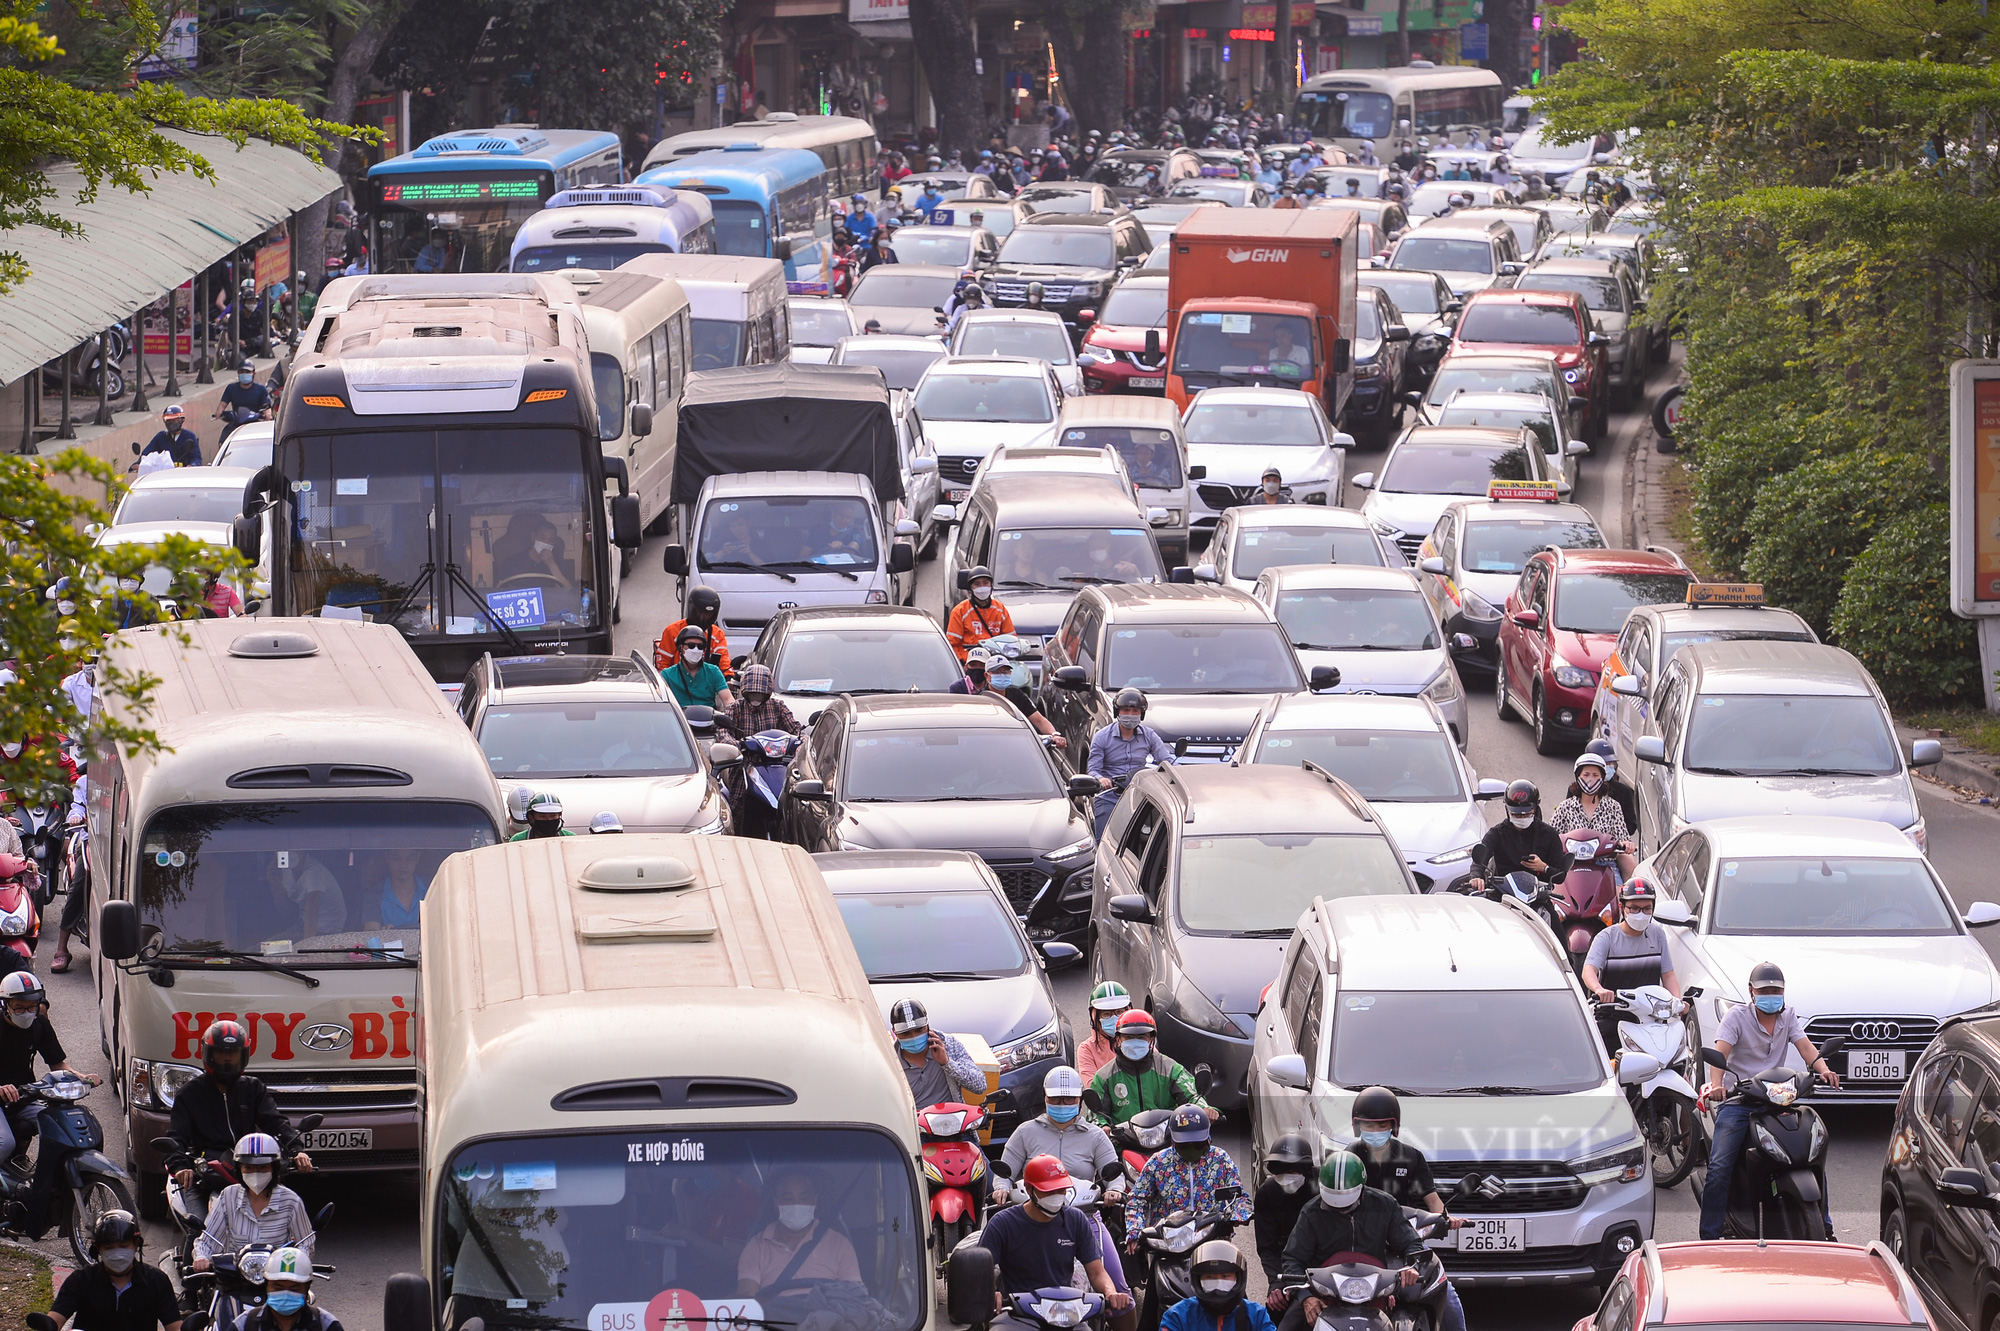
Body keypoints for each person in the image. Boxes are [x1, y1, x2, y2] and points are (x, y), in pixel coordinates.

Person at [1698, 962, 1840, 1240]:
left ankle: (1826, 1228)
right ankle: (1710, 1236)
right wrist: (1717, 1086)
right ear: (1751, 992)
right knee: (1719, 1168)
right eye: (1765, 990)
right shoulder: (1736, 1017)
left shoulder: (1788, 1016)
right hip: (1739, 1101)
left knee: (1810, 1157)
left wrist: (1824, 1070)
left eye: (1776, 990)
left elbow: (1805, 1047)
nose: (1771, 994)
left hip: (1777, 1100)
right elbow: (1720, 1053)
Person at [164, 1020, 312, 1223]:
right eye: (221, 1054)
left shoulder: (253, 1089)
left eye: (232, 1055)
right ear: (209, 1054)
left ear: (243, 1056)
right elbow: (176, 1137)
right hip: (205, 1176)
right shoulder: (190, 1094)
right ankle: (194, 1254)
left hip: (248, 1169)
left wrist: (296, 1150)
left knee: (284, 1220)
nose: (227, 1060)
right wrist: (181, 1167)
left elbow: (275, 1123)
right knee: (198, 1228)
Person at [1348, 1088, 1468, 1331]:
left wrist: (1445, 1219)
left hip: (1407, 1239)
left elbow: (1432, 1201)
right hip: (1362, 1242)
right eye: (1368, 1126)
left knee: (1448, 1299)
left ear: (1394, 1126)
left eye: (1381, 1125)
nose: (1374, 1132)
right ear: (1357, 1126)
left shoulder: (1411, 1157)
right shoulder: (1350, 1157)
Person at [1269, 1151, 1424, 1331]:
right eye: (1332, 1206)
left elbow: (1412, 1243)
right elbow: (1292, 1259)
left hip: (1376, 1290)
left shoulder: (1385, 1205)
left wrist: (1412, 1266)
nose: (1340, 1210)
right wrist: (1306, 1298)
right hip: (1324, 1292)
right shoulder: (1311, 1212)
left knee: (1412, 1320)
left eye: (1347, 1205)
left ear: (1361, 1189)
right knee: (1287, 1327)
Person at [980, 1156, 1134, 1331]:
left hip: (1066, 1313)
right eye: (1049, 1191)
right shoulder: (1003, 1223)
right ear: (1030, 1189)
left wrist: (1110, 1292)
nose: (1057, 1197)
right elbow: (979, 1272)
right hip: (1017, 1314)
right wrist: (990, 1293)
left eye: (1061, 1190)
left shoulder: (1076, 1219)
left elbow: (1097, 1272)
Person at [0, 971, 101, 1234]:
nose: (26, 1012)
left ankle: (45, 1191)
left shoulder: (39, 1024)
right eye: (19, 1008)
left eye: (31, 1007)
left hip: (25, 1095)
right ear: (5, 1005)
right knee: (5, 1143)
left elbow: (57, 1063)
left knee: (57, 1125)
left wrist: (82, 1077)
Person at [1126, 1106, 1253, 1250]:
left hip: (1211, 1240)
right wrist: (1134, 1231)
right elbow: (1137, 1199)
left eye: (1197, 1144)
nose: (1191, 1148)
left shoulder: (1220, 1159)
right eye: (1184, 1145)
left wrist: (1240, 1213)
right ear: (1174, 1140)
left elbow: (1239, 1195)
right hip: (1168, 1243)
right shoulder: (1159, 1162)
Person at [192, 1132, 315, 1270]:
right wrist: (201, 1257)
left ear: (274, 1169)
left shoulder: (291, 1200)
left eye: (262, 1167)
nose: (255, 1173)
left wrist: (296, 1262)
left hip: (277, 1276)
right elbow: (208, 1240)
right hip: (235, 1278)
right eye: (248, 1168)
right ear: (240, 1170)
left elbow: (306, 1243)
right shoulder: (228, 1196)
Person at [1582, 879, 1682, 1046]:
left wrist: (1677, 1002)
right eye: (1634, 908)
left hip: (1651, 1019)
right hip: (1613, 1017)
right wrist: (1600, 990)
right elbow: (1588, 970)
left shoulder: (1657, 934)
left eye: (1646, 908)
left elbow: (1668, 974)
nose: (1641, 913)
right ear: (1623, 908)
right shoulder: (1607, 937)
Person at [737, 1169, 864, 1298]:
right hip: (774, 1317)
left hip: (826, 1316)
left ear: (814, 1200)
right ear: (776, 1202)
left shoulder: (839, 1244)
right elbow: (747, 1301)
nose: (796, 1204)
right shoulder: (756, 1247)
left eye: (804, 1198)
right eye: (788, 1198)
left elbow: (855, 1299)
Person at [47, 1211, 181, 1331]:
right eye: (109, 1248)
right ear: (98, 1248)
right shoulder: (80, 1280)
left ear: (135, 1245)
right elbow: (54, 1320)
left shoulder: (156, 1280)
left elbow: (175, 1326)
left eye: (123, 1246)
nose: (117, 1253)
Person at [1089, 1010, 1215, 1127]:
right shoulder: (1103, 1077)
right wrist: (1103, 1127)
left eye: (1141, 1037)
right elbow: (1095, 1115)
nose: (1135, 1041)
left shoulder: (1170, 1069)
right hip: (1122, 1143)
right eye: (1128, 1037)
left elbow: (1192, 1095)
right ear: (1118, 1040)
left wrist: (1204, 1109)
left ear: (1151, 1040)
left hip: (1167, 1138)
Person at [1087, 688, 1175, 838]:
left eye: (1135, 711)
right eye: (1126, 710)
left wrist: (1183, 773)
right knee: (1102, 839)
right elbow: (1093, 770)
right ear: (1117, 712)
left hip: (1140, 794)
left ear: (1142, 714)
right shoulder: (1101, 737)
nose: (1131, 715)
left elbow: (1167, 761)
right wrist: (1101, 779)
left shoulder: (1149, 736)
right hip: (1110, 796)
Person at [1467, 779, 1569, 892]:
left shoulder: (1550, 834)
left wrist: (1544, 868)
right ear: (1507, 810)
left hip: (1538, 898)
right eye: (1515, 814)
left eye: (1526, 814)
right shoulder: (1496, 833)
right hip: (1502, 895)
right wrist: (1476, 877)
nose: (1521, 818)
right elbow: (1480, 860)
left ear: (1535, 809)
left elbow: (1560, 876)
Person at [890, 997, 986, 1109]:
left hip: (951, 1119)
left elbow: (980, 1085)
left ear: (927, 1026)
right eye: (906, 1034)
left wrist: (947, 1063)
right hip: (913, 1124)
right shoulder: (890, 1061)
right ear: (895, 1033)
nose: (914, 1037)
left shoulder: (950, 1045)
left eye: (919, 1030)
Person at [1163, 1241, 1278, 1331]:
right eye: (1209, 1277)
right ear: (1197, 1279)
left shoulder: (1256, 1315)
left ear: (1239, 1277)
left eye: (1225, 1276)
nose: (1218, 1283)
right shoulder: (1178, 1316)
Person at [1251, 1135, 1315, 1290]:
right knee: (1275, 1308)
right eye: (1282, 1170)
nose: (1287, 1176)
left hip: (1320, 1266)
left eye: (1293, 1170)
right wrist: (1276, 1282)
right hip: (1284, 1269)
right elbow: (1267, 1247)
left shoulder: (1321, 1190)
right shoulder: (1266, 1194)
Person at [236, 1246, 340, 1331]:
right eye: (278, 1287)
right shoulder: (244, 1325)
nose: (285, 1294)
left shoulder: (327, 1326)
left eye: (294, 1289)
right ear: (267, 1286)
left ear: (307, 1288)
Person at [983, 647, 1066, 749]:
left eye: (1005, 672)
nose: (1002, 675)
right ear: (987, 676)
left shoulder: (1017, 695)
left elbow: (1039, 720)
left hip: (1017, 747)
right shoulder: (980, 699)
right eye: (997, 672)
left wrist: (1054, 735)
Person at [656, 585, 735, 680]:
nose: (704, 617)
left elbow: (724, 661)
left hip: (705, 686)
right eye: (701, 612)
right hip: (677, 683)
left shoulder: (717, 634)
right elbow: (663, 663)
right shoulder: (672, 631)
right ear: (692, 609)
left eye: (708, 614)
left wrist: (729, 677)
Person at [718, 663, 801, 741]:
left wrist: (801, 741)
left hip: (774, 753)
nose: (756, 698)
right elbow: (723, 732)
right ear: (744, 691)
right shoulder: (735, 707)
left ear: (768, 693)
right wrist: (737, 745)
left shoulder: (778, 706)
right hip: (744, 754)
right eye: (752, 694)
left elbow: (795, 730)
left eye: (760, 694)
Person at [946, 565, 1014, 659]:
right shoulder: (960, 611)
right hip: (971, 662)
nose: (982, 587)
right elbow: (952, 644)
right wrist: (963, 663)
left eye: (985, 583)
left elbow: (1011, 641)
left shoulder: (1000, 609)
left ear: (991, 585)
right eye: (977, 584)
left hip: (995, 663)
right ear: (970, 589)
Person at [663, 626, 735, 712]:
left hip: (710, 722)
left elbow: (728, 700)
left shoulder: (713, 671)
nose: (695, 650)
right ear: (680, 648)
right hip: (680, 723)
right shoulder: (667, 675)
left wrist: (734, 716)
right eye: (691, 645)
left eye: (700, 647)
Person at [493, 515, 571, 589]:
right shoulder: (512, 563)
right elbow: (499, 590)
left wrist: (551, 565)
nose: (546, 543)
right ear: (533, 537)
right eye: (542, 538)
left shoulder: (557, 562)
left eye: (551, 540)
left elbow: (569, 591)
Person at [363, 846, 430, 930]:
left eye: (409, 859)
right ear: (387, 857)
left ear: (417, 858)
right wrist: (383, 932)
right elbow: (371, 932)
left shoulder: (431, 889)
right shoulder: (374, 894)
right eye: (396, 859)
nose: (403, 865)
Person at [1077, 981, 1132, 1081]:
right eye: (1106, 1014)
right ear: (1095, 1018)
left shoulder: (1139, 1040)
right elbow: (1093, 1088)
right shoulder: (1086, 1049)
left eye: (1119, 1012)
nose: (1115, 1018)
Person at [509, 790, 574, 840]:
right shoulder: (518, 840)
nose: (548, 820)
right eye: (543, 816)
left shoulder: (570, 838)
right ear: (531, 817)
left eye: (553, 816)